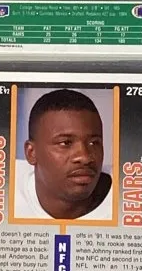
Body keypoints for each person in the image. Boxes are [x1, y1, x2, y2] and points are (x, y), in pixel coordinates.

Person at [15, 88, 113, 220]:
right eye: (65, 143)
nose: (85, 157)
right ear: (31, 153)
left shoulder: (132, 198)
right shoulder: (0, 187)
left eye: (94, 143)